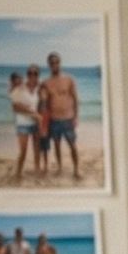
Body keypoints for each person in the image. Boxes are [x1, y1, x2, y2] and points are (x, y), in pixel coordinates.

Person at [41, 51, 82, 180]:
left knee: (72, 145)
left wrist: (76, 117)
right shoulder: (46, 83)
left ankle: (76, 169)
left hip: (68, 119)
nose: (54, 64)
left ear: (60, 63)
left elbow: (76, 99)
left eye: (56, 62)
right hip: (54, 120)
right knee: (57, 145)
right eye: (52, 62)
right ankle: (59, 167)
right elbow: (43, 100)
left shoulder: (69, 79)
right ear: (49, 64)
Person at [8, 71, 40, 181]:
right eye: (17, 79)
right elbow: (15, 108)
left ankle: (37, 171)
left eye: (21, 79)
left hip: (35, 124)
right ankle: (18, 173)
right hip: (23, 124)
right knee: (23, 151)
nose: (20, 81)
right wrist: (33, 113)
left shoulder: (27, 88)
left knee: (36, 150)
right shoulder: (15, 91)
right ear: (13, 81)